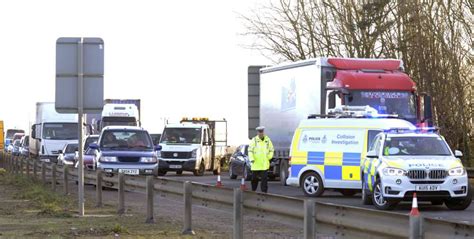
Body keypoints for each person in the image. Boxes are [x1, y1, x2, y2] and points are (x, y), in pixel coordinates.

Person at [248, 126, 274, 193]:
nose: (260, 133)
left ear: (263, 132)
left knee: (264, 180)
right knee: (254, 179)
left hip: (264, 165)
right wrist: (252, 159)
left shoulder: (267, 140)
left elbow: (271, 150)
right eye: (259, 132)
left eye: (261, 132)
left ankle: (264, 193)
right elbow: (250, 151)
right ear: (257, 132)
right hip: (256, 164)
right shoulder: (254, 140)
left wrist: (269, 157)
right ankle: (253, 190)